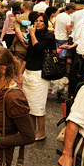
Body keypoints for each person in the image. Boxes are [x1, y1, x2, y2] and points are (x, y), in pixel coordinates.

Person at [19, 12, 56, 141]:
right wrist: (20, 72)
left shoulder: (49, 36)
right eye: (36, 20)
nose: (38, 23)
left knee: (38, 106)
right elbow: (28, 54)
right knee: (29, 105)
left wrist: (32, 34)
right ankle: (32, 130)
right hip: (29, 72)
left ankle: (41, 132)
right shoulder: (32, 35)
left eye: (41, 21)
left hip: (40, 75)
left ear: (45, 23)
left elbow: (38, 48)